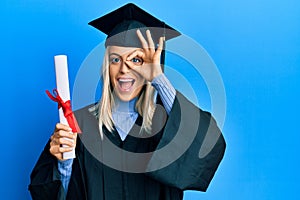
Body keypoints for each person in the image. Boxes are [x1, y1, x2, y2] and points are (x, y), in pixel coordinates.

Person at [29, 3, 226, 200]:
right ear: (107, 66)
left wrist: (158, 78)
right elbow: (50, 194)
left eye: (136, 60)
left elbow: (209, 144)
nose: (124, 69)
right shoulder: (78, 125)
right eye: (116, 60)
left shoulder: (165, 124)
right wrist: (64, 164)